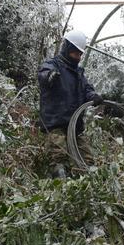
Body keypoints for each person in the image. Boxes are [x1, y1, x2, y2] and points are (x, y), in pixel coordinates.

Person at [37, 29, 103, 165]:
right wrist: (50, 76)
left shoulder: (79, 73)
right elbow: (43, 75)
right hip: (56, 124)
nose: (78, 57)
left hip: (76, 127)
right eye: (75, 53)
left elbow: (86, 89)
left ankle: (85, 183)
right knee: (58, 158)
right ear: (67, 49)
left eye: (80, 54)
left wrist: (93, 96)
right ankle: (59, 184)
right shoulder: (53, 65)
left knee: (88, 161)